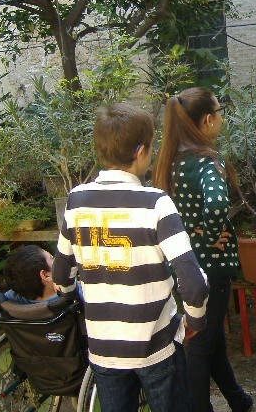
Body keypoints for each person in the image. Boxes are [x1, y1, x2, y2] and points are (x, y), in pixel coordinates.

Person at [52, 102, 210, 412]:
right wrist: (195, 320)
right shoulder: (156, 204)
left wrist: (74, 297)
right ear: (140, 151)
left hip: (103, 351)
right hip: (156, 347)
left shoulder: (76, 201)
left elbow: (61, 277)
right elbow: (193, 283)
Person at [152, 87, 253, 412]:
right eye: (220, 112)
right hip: (212, 266)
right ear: (208, 119)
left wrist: (198, 235)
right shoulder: (207, 160)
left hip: (184, 263)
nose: (222, 118)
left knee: (211, 336)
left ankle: (237, 399)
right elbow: (217, 203)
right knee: (200, 344)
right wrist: (210, 236)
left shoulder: (170, 160)